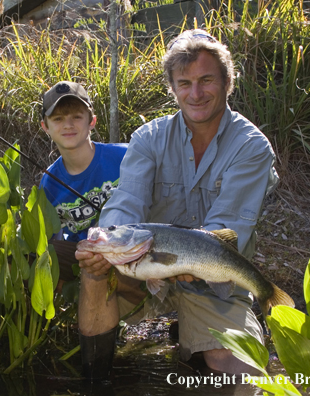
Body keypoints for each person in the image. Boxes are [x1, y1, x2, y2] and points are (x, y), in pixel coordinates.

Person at [75, 29, 280, 381]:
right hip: (143, 272)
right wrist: (105, 244)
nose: (195, 93)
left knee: (240, 377)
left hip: (212, 281)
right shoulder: (148, 138)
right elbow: (127, 201)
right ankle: (96, 381)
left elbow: (228, 230)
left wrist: (193, 261)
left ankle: (199, 334)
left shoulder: (251, 147)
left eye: (206, 80)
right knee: (94, 273)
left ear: (228, 81)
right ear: (172, 87)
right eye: (184, 83)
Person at [38, 81, 128, 281]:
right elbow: (54, 239)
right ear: (45, 126)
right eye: (58, 118)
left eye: (77, 117)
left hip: (132, 250)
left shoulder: (126, 157)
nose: (68, 125)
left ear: (92, 121)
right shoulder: (48, 183)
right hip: (85, 261)